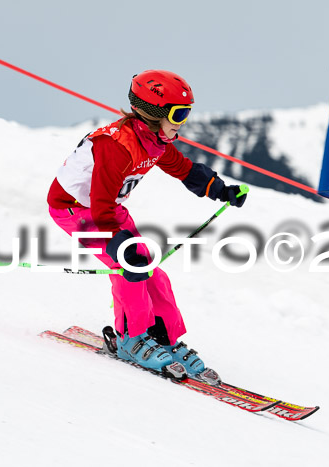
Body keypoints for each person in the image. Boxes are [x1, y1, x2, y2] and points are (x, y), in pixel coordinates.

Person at [47, 70, 246, 377]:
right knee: (130, 268)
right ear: (154, 113)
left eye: (187, 113)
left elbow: (184, 169)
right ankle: (130, 338)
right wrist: (117, 245)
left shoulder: (154, 141)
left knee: (152, 269)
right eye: (178, 114)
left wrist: (221, 190)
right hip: (76, 210)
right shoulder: (116, 146)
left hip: (109, 211)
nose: (182, 122)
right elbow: (100, 204)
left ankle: (164, 336)